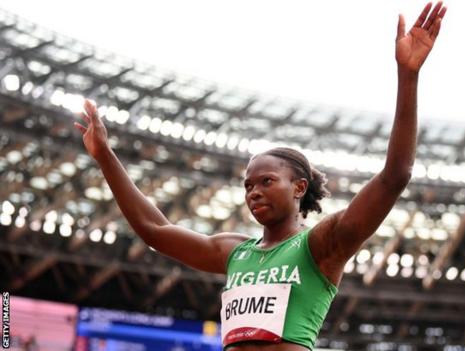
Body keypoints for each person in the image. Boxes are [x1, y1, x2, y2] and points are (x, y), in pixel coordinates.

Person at [73, 2, 446, 350]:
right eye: (248, 185)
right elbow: (154, 231)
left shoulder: (320, 246)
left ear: (299, 187)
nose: (253, 191)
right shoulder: (235, 251)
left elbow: (395, 176)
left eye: (266, 181)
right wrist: (105, 156)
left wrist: (407, 76)